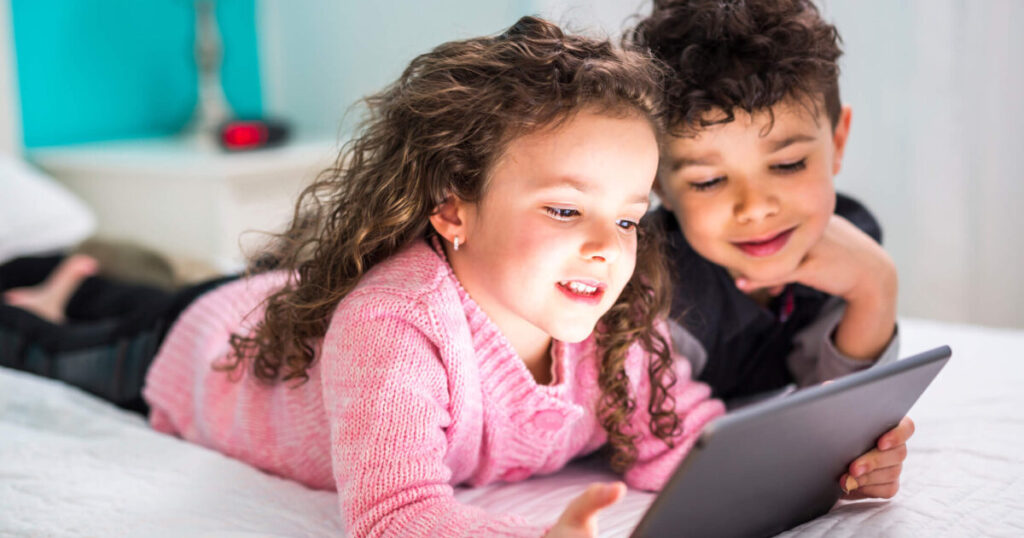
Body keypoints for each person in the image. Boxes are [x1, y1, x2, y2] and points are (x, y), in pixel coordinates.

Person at [3, 17, 721, 537]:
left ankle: (71, 281)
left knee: (138, 289)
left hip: (273, 312)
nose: (607, 246)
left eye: (628, 219)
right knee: (48, 347)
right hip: (208, 350)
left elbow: (683, 439)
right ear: (453, 207)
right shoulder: (395, 326)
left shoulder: (613, 326)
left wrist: (816, 469)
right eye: (567, 209)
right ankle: (50, 291)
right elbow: (397, 515)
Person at [629, 0, 912, 498]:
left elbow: (839, 411)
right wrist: (817, 457)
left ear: (838, 141)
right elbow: (660, 438)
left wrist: (875, 285)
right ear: (659, 185)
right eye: (710, 180)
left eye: (787, 165)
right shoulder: (652, 277)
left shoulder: (850, 241)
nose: (755, 208)